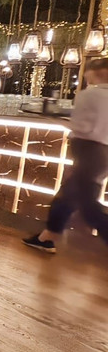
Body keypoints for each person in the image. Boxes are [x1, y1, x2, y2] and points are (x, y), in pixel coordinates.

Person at [24, 57, 108, 253]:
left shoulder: (90, 94)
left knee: (88, 208)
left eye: (87, 71)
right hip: (103, 155)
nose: (85, 75)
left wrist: (54, 118)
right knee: (67, 198)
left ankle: (47, 238)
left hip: (88, 152)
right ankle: (46, 239)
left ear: (98, 72)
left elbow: (83, 127)